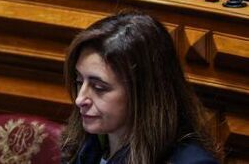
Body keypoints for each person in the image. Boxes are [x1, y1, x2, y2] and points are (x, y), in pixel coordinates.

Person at [63, 11, 220, 163]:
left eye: (98, 87)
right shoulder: (86, 144)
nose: (79, 99)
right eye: (79, 81)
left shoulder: (192, 162)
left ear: (143, 92)